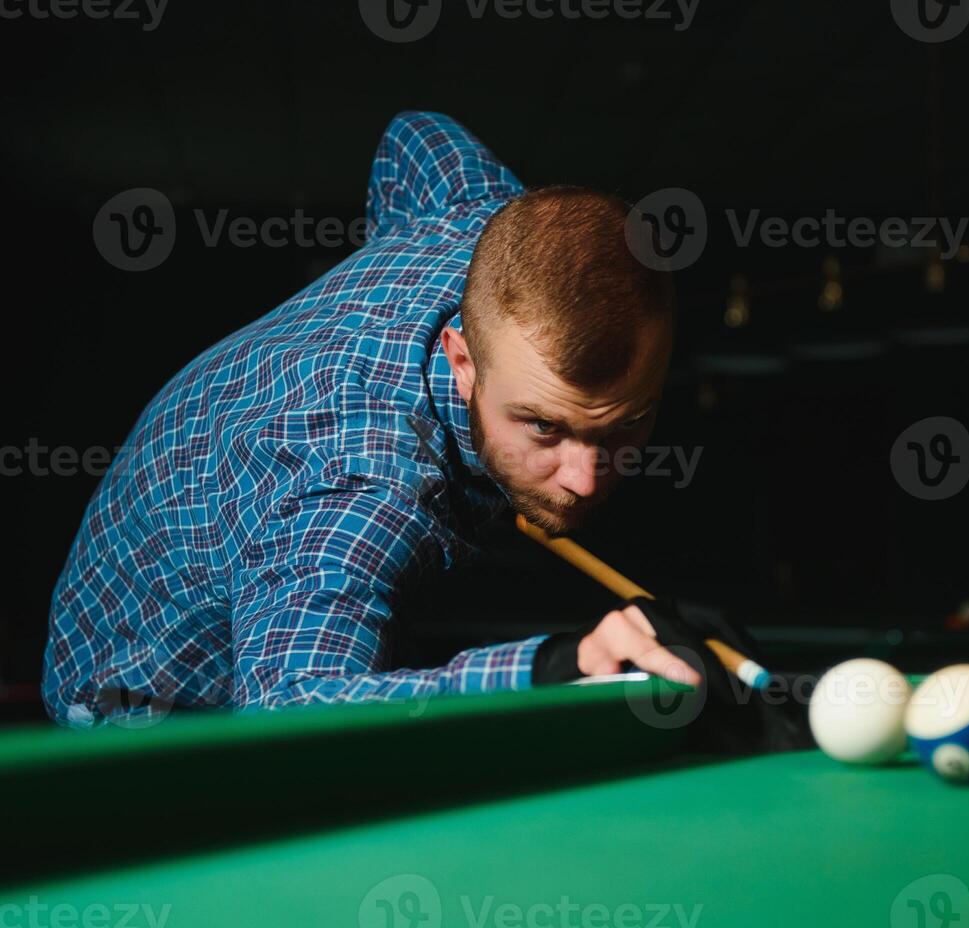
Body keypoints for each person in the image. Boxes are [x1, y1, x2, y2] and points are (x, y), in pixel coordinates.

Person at [42, 110, 704, 728]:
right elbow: (290, 710)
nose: (585, 479)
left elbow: (415, 135)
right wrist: (558, 665)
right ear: (463, 361)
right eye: (543, 428)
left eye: (627, 423)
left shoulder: (485, 223)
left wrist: (373, 268)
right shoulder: (361, 479)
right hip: (139, 690)